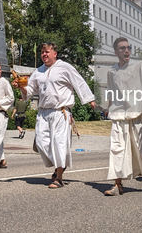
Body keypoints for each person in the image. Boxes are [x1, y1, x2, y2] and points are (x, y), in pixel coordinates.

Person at [18, 42, 95, 189]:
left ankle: (59, 177)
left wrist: (91, 102)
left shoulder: (65, 67)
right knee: (41, 143)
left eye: (47, 52)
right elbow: (30, 91)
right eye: (42, 52)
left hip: (61, 112)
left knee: (59, 143)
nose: (44, 54)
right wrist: (22, 86)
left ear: (55, 54)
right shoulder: (38, 71)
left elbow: (80, 83)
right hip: (43, 113)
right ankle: (61, 164)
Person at [103, 37, 142, 196]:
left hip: (137, 114)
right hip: (118, 115)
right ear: (116, 52)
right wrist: (107, 108)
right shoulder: (112, 72)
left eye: (128, 48)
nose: (126, 50)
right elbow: (111, 92)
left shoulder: (139, 66)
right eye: (122, 48)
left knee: (141, 148)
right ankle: (117, 184)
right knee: (116, 149)